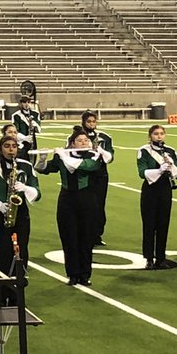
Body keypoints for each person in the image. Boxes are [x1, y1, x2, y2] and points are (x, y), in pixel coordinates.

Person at [0, 134, 40, 301]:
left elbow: (37, 192)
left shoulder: (25, 166)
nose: (11, 150)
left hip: (21, 216)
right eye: (7, 146)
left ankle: (17, 298)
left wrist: (25, 188)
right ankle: (0, 296)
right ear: (0, 149)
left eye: (14, 146)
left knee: (20, 253)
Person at [41, 128, 103, 286]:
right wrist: (42, 158)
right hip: (67, 199)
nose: (84, 143)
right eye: (80, 141)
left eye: (86, 140)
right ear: (72, 143)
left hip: (87, 199)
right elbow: (44, 169)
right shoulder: (63, 156)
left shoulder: (94, 155)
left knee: (86, 238)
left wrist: (63, 155)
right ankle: (73, 274)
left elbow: (78, 166)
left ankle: (85, 274)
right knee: (69, 237)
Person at [136, 125, 177, 270]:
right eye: (156, 134)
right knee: (149, 225)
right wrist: (159, 170)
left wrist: (171, 165)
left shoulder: (170, 151)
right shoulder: (144, 150)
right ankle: (149, 258)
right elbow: (142, 172)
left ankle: (161, 258)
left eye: (162, 133)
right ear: (150, 136)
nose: (159, 136)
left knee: (163, 224)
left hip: (165, 189)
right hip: (150, 190)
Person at [79, 112, 114, 246]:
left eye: (94, 121)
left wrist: (100, 150)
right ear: (83, 122)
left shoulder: (104, 137)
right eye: (89, 122)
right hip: (84, 174)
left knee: (99, 205)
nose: (91, 124)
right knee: (84, 204)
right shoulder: (77, 137)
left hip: (100, 175)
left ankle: (97, 235)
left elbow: (110, 158)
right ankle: (84, 233)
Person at [12, 95, 42, 162]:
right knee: (22, 160)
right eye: (24, 102)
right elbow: (15, 132)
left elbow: (39, 130)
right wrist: (25, 138)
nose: (27, 104)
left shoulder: (35, 114)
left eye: (28, 102)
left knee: (33, 159)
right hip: (21, 142)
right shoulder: (16, 115)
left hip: (32, 141)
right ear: (21, 104)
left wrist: (35, 125)